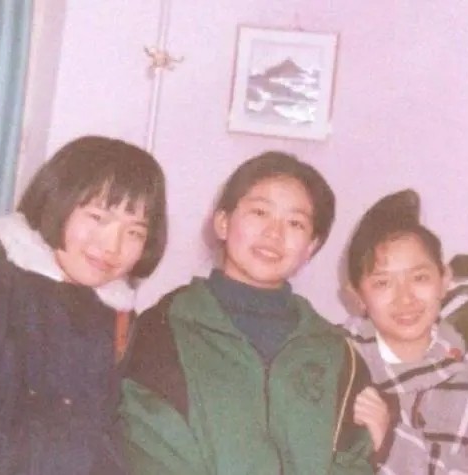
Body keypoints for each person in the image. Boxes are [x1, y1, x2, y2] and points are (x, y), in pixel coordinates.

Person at [0, 136, 167, 475]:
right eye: (97, 217)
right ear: (57, 201)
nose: (113, 246)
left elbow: (102, 441)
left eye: (135, 232)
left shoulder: (118, 319)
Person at [120, 151, 379, 475]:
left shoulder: (338, 354)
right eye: (260, 212)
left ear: (311, 246)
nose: (274, 233)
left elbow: (355, 459)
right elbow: (150, 449)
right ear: (223, 222)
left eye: (295, 223)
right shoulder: (161, 329)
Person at [344, 189, 468, 474]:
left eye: (419, 278)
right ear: (357, 296)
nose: (405, 298)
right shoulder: (329, 363)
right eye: (383, 283)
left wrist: (392, 443)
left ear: (445, 279)